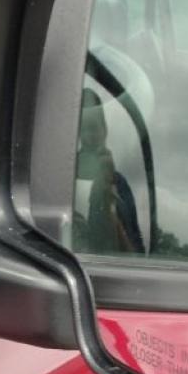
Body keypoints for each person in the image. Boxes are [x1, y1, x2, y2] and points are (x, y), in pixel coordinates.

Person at [74, 88, 145, 255]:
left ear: (104, 130)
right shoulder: (61, 178)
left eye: (93, 128)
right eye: (81, 129)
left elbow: (136, 254)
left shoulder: (119, 183)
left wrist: (109, 199)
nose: (88, 136)